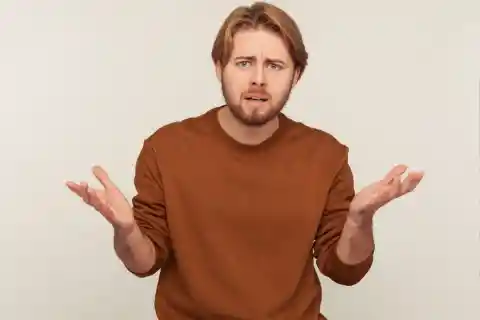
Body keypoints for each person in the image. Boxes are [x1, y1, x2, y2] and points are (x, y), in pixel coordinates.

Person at [66, 2, 424, 319]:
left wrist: (360, 220)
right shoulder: (166, 148)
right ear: (219, 67)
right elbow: (144, 263)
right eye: (244, 63)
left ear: (296, 75)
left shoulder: (326, 155)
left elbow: (345, 271)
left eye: (275, 65)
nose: (258, 79)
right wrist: (127, 230)